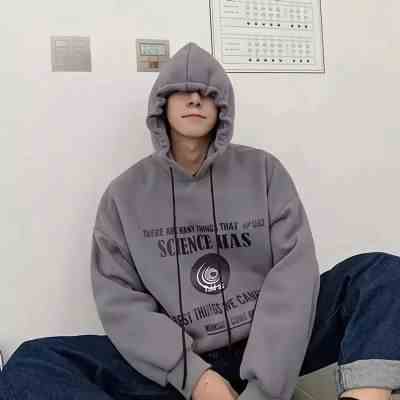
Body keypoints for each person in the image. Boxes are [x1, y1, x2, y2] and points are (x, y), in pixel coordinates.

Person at [0, 42, 400, 400]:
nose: (195, 99)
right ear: (161, 105)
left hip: (269, 341)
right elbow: (120, 300)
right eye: (182, 91)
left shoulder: (263, 171)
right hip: (183, 361)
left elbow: (294, 274)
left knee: (379, 273)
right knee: (33, 363)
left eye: (207, 92)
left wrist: (264, 389)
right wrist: (196, 379)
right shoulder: (124, 194)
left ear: (222, 106)